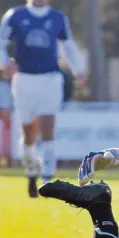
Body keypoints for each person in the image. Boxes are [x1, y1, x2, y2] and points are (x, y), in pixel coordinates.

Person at [0, 0, 85, 197]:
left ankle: (48, 179)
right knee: (28, 131)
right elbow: (1, 41)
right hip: (24, 79)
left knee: (48, 127)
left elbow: (68, 45)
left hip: (50, 78)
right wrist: (4, 63)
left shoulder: (57, 18)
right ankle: (31, 171)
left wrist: (78, 70)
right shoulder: (15, 15)